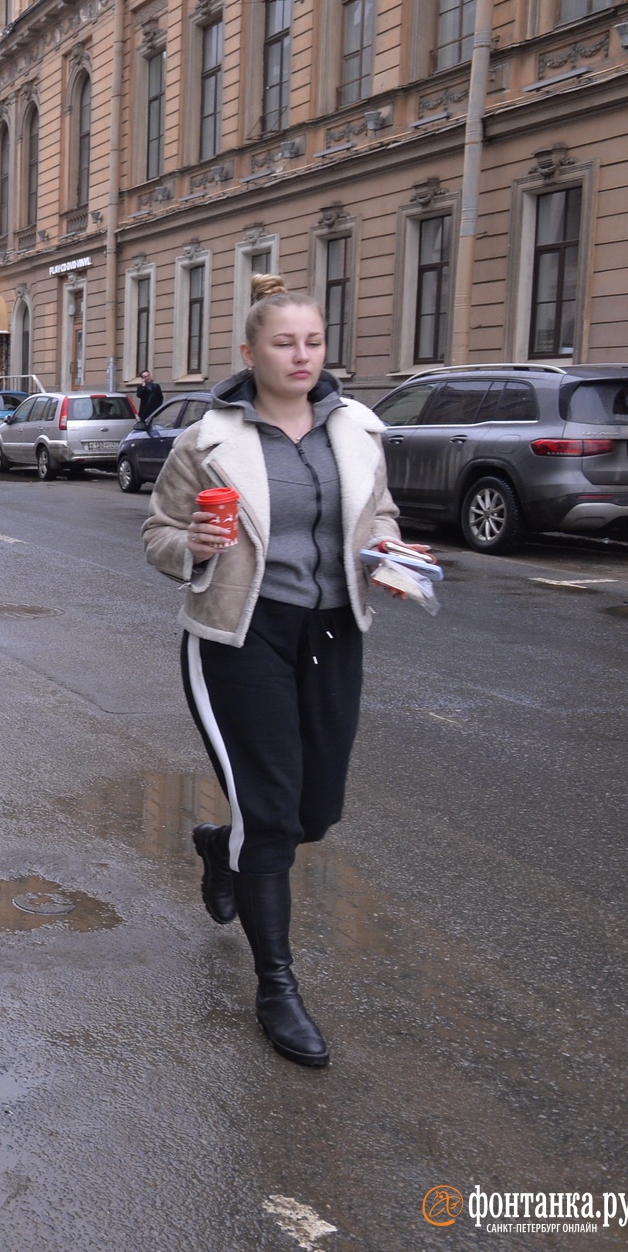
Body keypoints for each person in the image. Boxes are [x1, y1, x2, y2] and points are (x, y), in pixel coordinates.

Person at [142, 273, 418, 1070]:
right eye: (284, 342)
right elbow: (159, 530)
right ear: (250, 352)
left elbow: (380, 513)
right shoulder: (209, 439)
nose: (301, 356)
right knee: (271, 814)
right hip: (238, 635)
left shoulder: (357, 427)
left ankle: (215, 842)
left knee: (314, 812)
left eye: (313, 341)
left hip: (333, 632)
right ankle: (277, 985)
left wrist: (390, 553)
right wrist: (187, 547)